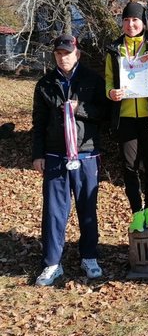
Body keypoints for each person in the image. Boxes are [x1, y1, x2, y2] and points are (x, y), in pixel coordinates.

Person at [32, 34, 107, 286]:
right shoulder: (45, 83)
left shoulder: (93, 80)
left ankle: (89, 256)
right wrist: (38, 154)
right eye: (59, 54)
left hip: (86, 153)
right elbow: (39, 122)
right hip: (55, 154)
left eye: (67, 53)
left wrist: (80, 109)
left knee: (87, 208)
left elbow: (105, 114)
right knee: (54, 212)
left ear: (77, 54)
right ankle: (52, 263)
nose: (63, 57)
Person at [106, 1, 148, 232]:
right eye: (126, 20)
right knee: (129, 167)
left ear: (143, 22)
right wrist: (110, 92)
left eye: (135, 20)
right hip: (125, 117)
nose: (130, 24)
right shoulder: (114, 49)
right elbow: (108, 79)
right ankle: (136, 213)